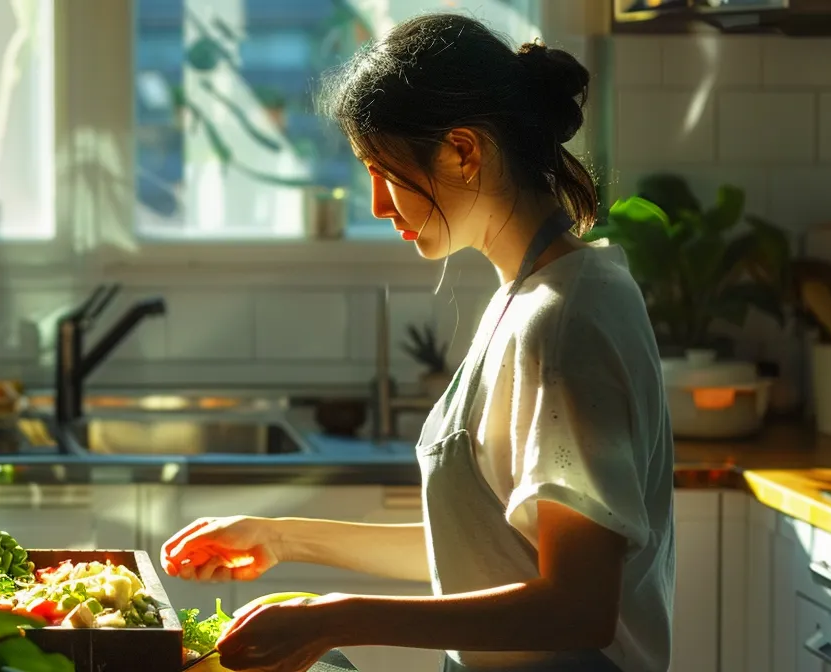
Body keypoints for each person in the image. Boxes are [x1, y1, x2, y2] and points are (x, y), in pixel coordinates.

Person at [160, 13, 673, 672]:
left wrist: (338, 617)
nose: (376, 202)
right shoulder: (534, 298)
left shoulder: (563, 319)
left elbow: (578, 605)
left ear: (463, 151)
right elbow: (484, 549)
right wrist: (281, 537)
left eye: (384, 169)